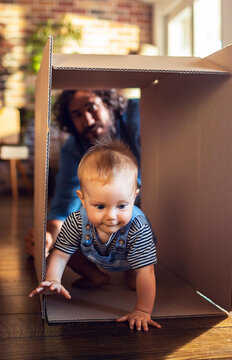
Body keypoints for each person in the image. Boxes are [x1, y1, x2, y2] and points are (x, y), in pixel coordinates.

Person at [28, 141, 159, 331]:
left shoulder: (138, 227)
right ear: (83, 199)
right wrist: (54, 279)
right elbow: (60, 254)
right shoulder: (77, 221)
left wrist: (142, 310)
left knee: (136, 281)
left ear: (134, 196)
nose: (111, 216)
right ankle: (96, 276)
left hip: (129, 257)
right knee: (66, 248)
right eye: (100, 206)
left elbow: (146, 271)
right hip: (95, 252)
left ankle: (128, 274)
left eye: (122, 205)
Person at [24, 89, 141, 257]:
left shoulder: (139, 116)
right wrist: (47, 238)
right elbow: (64, 207)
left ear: (107, 104)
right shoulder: (74, 149)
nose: (87, 119)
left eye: (91, 107)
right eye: (77, 115)